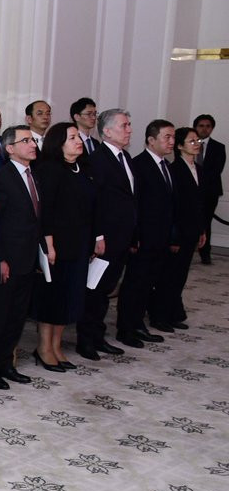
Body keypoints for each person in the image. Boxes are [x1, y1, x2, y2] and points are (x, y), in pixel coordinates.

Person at [0, 125, 43, 387]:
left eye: (33, 140)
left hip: (28, 258)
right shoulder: (1, 177)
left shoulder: (33, 175)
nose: (33, 145)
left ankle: (7, 363)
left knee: (17, 316)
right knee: (0, 316)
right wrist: (0, 259)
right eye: (26, 141)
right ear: (10, 148)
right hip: (8, 260)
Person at [34, 122, 96, 372]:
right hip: (57, 244)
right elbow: (45, 210)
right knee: (53, 298)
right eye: (72, 138)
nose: (79, 141)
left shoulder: (83, 168)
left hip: (79, 243)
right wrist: (49, 244)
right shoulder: (49, 169)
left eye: (78, 137)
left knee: (70, 297)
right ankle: (44, 347)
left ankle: (56, 346)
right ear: (58, 143)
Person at [77, 109, 135, 361]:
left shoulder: (125, 157)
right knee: (95, 291)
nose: (129, 130)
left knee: (107, 289)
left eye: (129, 125)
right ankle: (86, 340)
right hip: (105, 239)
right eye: (124, 125)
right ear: (108, 131)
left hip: (122, 237)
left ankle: (98, 336)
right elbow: (95, 202)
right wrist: (98, 236)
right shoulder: (97, 159)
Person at [117, 119, 175, 344]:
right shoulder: (139, 165)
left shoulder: (166, 165)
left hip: (160, 238)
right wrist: (136, 237)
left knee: (147, 283)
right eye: (167, 137)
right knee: (135, 283)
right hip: (143, 238)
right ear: (151, 140)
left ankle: (138, 323)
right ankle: (126, 328)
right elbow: (136, 205)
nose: (172, 142)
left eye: (173, 137)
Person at [158, 127, 206, 328]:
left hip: (192, 231)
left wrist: (202, 230)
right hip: (178, 232)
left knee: (181, 274)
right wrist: (174, 237)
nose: (197, 144)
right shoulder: (175, 170)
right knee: (170, 274)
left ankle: (174, 312)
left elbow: (200, 204)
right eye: (191, 141)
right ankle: (163, 314)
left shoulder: (199, 169)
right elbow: (173, 207)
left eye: (198, 141)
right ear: (179, 146)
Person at [195, 114, 225, 265]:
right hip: (189, 191)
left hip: (210, 191)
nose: (204, 129)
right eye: (201, 126)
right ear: (195, 127)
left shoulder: (219, 147)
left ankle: (205, 253)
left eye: (208, 126)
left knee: (206, 222)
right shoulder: (187, 144)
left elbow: (216, 170)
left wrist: (199, 180)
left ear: (212, 128)